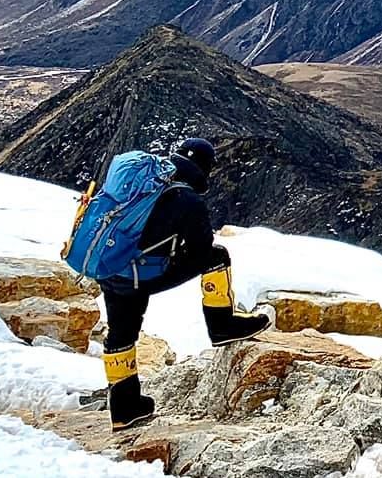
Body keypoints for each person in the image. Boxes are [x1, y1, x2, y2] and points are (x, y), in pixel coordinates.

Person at [100, 136, 272, 430]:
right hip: (138, 273)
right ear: (203, 169)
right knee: (217, 255)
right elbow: (201, 248)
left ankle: (124, 408)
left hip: (108, 265)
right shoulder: (187, 199)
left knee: (121, 333)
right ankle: (223, 326)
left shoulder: (144, 185)